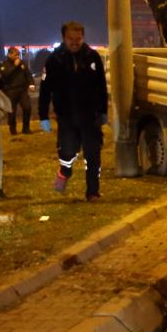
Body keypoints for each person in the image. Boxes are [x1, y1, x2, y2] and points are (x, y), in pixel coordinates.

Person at [38, 22, 109, 201]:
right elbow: (45, 90)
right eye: (71, 39)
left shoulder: (92, 57)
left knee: (93, 154)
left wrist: (102, 110)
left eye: (78, 39)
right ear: (64, 38)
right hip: (67, 116)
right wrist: (43, 115)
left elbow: (101, 85)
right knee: (68, 151)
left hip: (90, 116)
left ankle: (92, 191)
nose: (75, 43)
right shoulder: (54, 60)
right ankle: (64, 171)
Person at [0, 46, 33, 135]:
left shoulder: (22, 63)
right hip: (10, 91)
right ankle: (13, 129)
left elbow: (28, 74)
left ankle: (26, 128)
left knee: (27, 107)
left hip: (22, 90)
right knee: (12, 112)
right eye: (15, 55)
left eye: (18, 55)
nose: (18, 57)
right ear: (9, 54)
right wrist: (15, 66)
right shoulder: (3, 65)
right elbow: (5, 75)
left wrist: (31, 83)